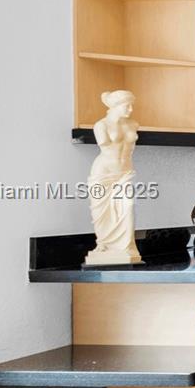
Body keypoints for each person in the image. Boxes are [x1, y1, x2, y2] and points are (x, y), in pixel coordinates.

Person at [85, 89, 143, 265]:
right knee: (103, 213)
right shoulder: (101, 126)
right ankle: (105, 245)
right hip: (103, 174)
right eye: (127, 105)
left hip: (124, 173)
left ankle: (126, 247)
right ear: (116, 106)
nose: (131, 109)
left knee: (127, 206)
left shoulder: (133, 124)